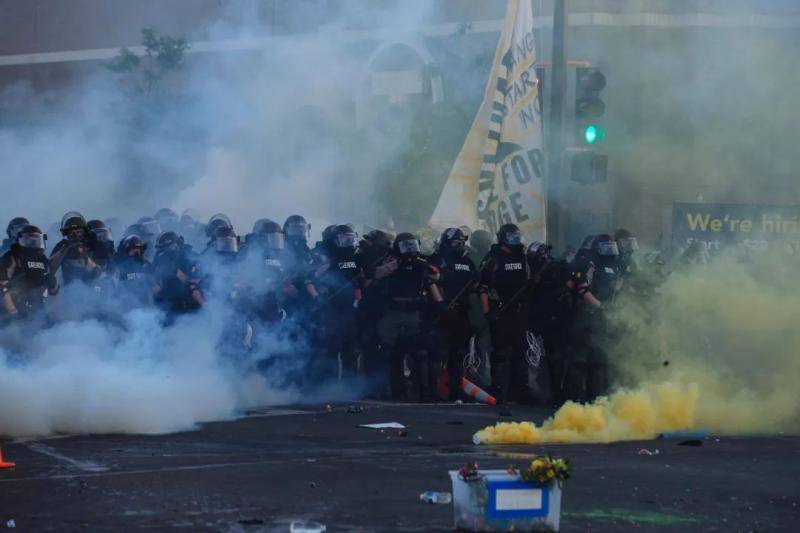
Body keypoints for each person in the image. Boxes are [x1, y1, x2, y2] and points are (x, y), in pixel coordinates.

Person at [375, 232, 444, 401]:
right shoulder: (390, 262)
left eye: (413, 245)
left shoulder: (422, 264)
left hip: (414, 313)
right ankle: (395, 391)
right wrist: (395, 265)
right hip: (392, 313)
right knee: (391, 354)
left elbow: (434, 278)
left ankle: (424, 393)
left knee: (420, 353)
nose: (410, 250)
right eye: (406, 246)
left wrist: (439, 301)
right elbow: (375, 274)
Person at [479, 223, 532, 404]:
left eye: (518, 237)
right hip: (500, 311)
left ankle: (521, 391)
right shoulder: (493, 258)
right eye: (512, 237)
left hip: (519, 312)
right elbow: (483, 287)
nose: (516, 241)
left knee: (521, 352)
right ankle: (499, 390)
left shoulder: (523, 258)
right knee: (501, 353)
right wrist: (487, 312)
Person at [428, 228, 479, 401]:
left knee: (458, 355)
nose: (460, 245)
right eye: (456, 242)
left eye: (461, 242)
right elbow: (430, 281)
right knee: (437, 354)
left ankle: (456, 391)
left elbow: (475, 285)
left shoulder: (468, 262)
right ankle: (432, 392)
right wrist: (440, 303)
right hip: (442, 312)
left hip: (462, 313)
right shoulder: (437, 259)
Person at [313, 224, 365, 380]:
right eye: (344, 239)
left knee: (351, 347)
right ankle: (330, 384)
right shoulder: (325, 256)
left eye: (351, 239)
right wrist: (329, 264)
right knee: (332, 347)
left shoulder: (358, 257)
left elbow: (367, 277)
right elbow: (315, 275)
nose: (348, 243)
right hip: (332, 307)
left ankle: (349, 385)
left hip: (352, 307)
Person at [0, 224, 58, 321]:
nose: (33, 243)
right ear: (20, 241)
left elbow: (54, 290)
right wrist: (13, 313)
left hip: (37, 308)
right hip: (12, 308)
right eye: (29, 240)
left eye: (36, 240)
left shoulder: (43, 260)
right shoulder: (12, 257)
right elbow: (2, 287)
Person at [152, 231, 204, 319]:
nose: (168, 250)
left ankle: (207, 314)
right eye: (165, 248)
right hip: (169, 304)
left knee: (194, 288)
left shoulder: (189, 255)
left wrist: (176, 272)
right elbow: (154, 285)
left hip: (190, 301)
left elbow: (195, 281)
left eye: (171, 246)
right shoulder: (159, 259)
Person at [50, 212, 108, 286]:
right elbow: (49, 268)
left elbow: (102, 272)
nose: (75, 235)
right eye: (72, 233)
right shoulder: (62, 245)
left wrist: (85, 258)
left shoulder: (93, 243)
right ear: (67, 234)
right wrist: (64, 250)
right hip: (69, 289)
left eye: (78, 232)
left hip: (95, 286)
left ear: (84, 231)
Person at [114, 234, 154, 307]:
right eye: (132, 250)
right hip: (129, 303)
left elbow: (154, 282)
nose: (135, 252)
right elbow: (120, 283)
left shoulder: (147, 264)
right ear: (127, 251)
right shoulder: (122, 266)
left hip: (147, 303)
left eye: (137, 249)